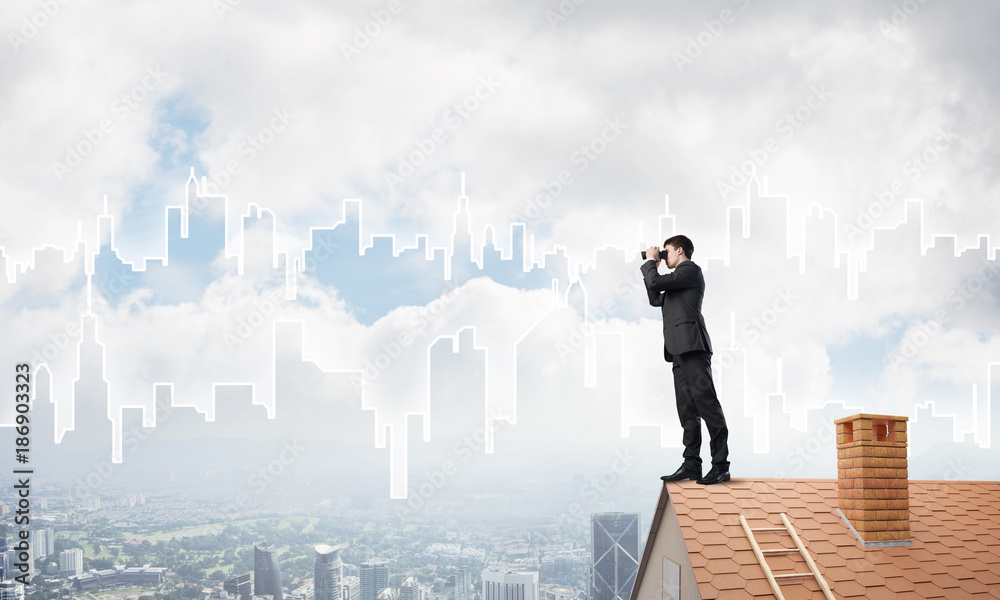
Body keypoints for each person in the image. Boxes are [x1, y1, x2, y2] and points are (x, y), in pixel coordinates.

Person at [641, 235, 730, 485]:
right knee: (687, 410)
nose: (663, 256)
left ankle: (721, 466)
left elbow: (656, 281)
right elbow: (654, 297)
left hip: (693, 347)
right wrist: (652, 266)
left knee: (707, 405)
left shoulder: (690, 270)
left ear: (679, 251)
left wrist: (650, 263)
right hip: (677, 350)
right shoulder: (675, 283)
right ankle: (692, 464)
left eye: (666, 252)